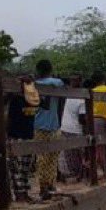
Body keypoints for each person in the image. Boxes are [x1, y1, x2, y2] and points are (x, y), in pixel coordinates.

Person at [32, 59, 65, 198]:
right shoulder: (57, 83)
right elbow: (62, 98)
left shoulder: (34, 84)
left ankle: (43, 186)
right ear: (51, 69)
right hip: (54, 124)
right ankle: (50, 184)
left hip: (38, 124)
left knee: (41, 158)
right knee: (53, 157)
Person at [7, 77, 37, 202]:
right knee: (17, 167)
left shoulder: (33, 99)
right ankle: (20, 193)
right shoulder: (15, 99)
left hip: (28, 135)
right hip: (17, 135)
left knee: (25, 167)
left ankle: (23, 192)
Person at [59, 74, 86, 180]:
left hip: (65, 126)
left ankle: (70, 174)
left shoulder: (67, 95)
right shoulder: (81, 98)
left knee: (68, 153)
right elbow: (82, 118)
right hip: (75, 128)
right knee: (76, 153)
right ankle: (75, 174)